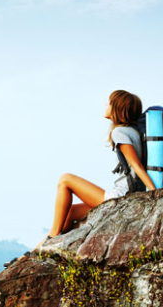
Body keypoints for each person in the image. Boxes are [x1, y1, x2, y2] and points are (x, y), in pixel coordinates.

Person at [41, 90, 156, 245]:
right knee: (70, 213)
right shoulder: (135, 132)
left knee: (65, 179)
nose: (105, 104)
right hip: (128, 195)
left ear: (117, 107)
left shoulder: (119, 132)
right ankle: (30, 255)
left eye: (108, 102)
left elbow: (137, 165)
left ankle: (52, 237)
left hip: (120, 198)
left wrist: (156, 194)